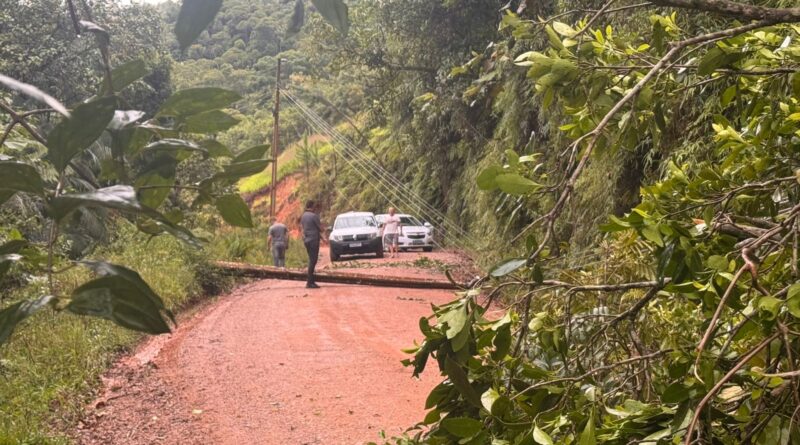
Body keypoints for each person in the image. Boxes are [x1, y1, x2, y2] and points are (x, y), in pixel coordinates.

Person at [300, 200, 324, 288]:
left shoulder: (303, 216)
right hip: (313, 240)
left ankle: (311, 280)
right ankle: (309, 282)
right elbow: (321, 229)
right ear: (312, 206)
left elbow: (303, 229)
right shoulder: (314, 216)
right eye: (314, 206)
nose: (315, 208)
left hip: (307, 240)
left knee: (311, 259)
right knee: (313, 261)